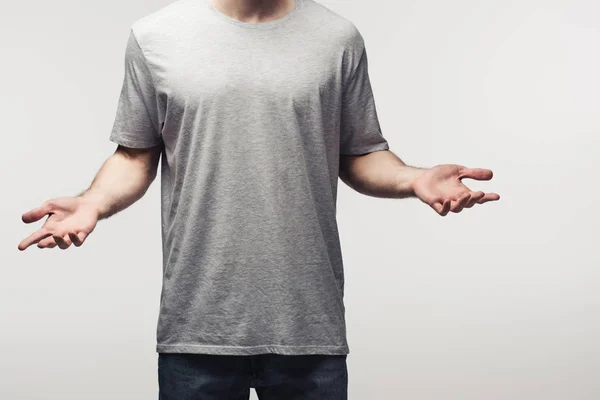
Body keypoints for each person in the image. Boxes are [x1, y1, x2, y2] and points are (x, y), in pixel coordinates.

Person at [18, 0, 500, 398]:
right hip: (198, 326)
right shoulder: (155, 36)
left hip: (309, 326)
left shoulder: (337, 39)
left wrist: (415, 178)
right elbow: (135, 155)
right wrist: (92, 202)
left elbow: (359, 154)